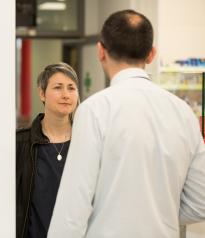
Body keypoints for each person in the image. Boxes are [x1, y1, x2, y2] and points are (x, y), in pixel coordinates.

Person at [48, 9, 205, 238]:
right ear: (151, 55)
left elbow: (73, 209)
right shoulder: (184, 113)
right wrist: (158, 214)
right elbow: (201, 201)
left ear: (101, 51)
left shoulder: (95, 110)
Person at [16, 62, 80, 238]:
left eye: (71, 88)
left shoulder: (88, 141)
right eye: (58, 88)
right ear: (42, 93)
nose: (66, 95)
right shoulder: (21, 143)